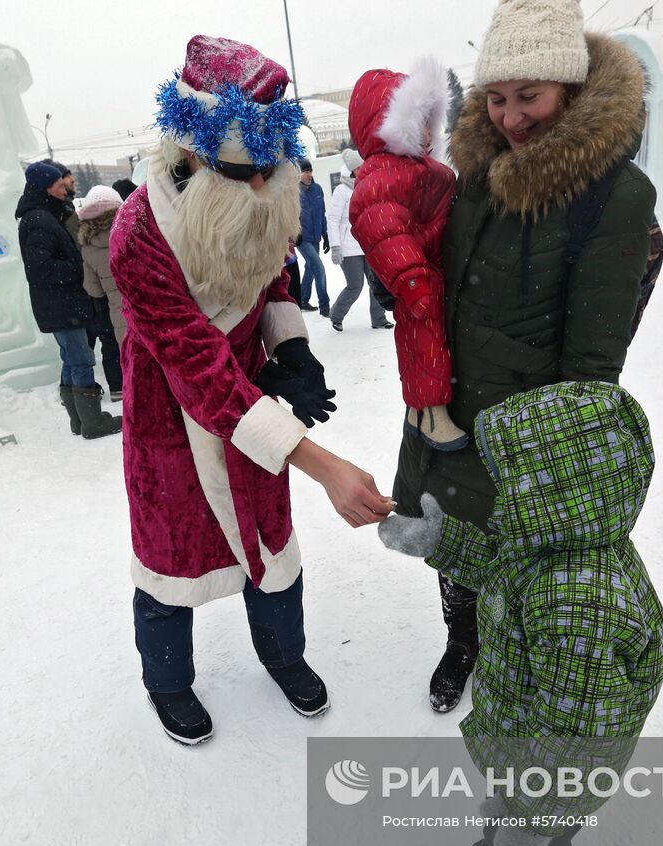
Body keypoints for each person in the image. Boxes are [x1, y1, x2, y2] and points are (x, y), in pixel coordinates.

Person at [390, 1, 660, 846]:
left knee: (546, 649)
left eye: (530, 95)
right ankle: (488, 722)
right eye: (497, 97)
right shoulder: (477, 180)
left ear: (574, 86)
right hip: (452, 430)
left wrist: (537, 469)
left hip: (536, 461)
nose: (511, 115)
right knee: (479, 601)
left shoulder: (613, 198)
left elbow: (592, 370)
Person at [110, 35, 393, 745]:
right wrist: (323, 464)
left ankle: (284, 656)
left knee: (272, 547)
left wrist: (290, 347)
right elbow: (198, 370)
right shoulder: (138, 233)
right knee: (171, 560)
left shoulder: (253, 193)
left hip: (255, 405)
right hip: (171, 422)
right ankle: (167, 677)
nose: (266, 188)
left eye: (273, 169)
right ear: (197, 153)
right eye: (248, 173)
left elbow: (273, 274)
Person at [379, 383, 663, 846]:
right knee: (512, 794)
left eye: (513, 474)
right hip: (523, 727)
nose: (500, 485)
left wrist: (535, 820)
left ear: (558, 489)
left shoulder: (579, 602)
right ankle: (511, 829)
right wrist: (438, 540)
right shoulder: (557, 537)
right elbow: (499, 563)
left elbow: (575, 736)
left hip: (557, 771)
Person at [349, 58, 467, 452]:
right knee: (425, 341)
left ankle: (422, 412)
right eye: (420, 120)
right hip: (420, 276)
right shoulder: (384, 173)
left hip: (433, 268)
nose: (428, 132)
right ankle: (430, 413)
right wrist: (410, 276)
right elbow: (379, 224)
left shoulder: (423, 169)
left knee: (427, 341)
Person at [15, 160, 121, 439]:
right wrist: (81, 266)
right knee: (81, 359)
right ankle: (92, 421)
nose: (65, 190)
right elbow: (41, 268)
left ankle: (80, 420)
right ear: (45, 187)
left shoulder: (43, 215)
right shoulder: (39, 219)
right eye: (59, 186)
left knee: (72, 358)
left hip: (61, 303)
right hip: (61, 304)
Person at [325, 148, 392, 333]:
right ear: (352, 170)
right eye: (359, 167)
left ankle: (378, 318)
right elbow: (333, 219)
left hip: (367, 245)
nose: (363, 169)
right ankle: (336, 316)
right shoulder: (341, 190)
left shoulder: (366, 185)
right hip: (348, 248)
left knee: (375, 284)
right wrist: (336, 246)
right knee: (355, 286)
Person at [75, 185, 127, 401]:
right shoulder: (129, 233)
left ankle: (123, 391)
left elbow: (93, 290)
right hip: (147, 303)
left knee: (127, 353)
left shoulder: (87, 248)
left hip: (118, 311)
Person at [296, 159, 330, 315]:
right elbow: (290, 216)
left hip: (316, 237)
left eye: (309, 171)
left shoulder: (318, 189)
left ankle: (303, 300)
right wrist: (296, 233)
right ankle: (325, 306)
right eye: (305, 171)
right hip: (302, 238)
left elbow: (322, 213)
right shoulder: (294, 192)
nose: (308, 174)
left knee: (310, 268)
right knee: (318, 267)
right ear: (298, 173)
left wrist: (325, 234)